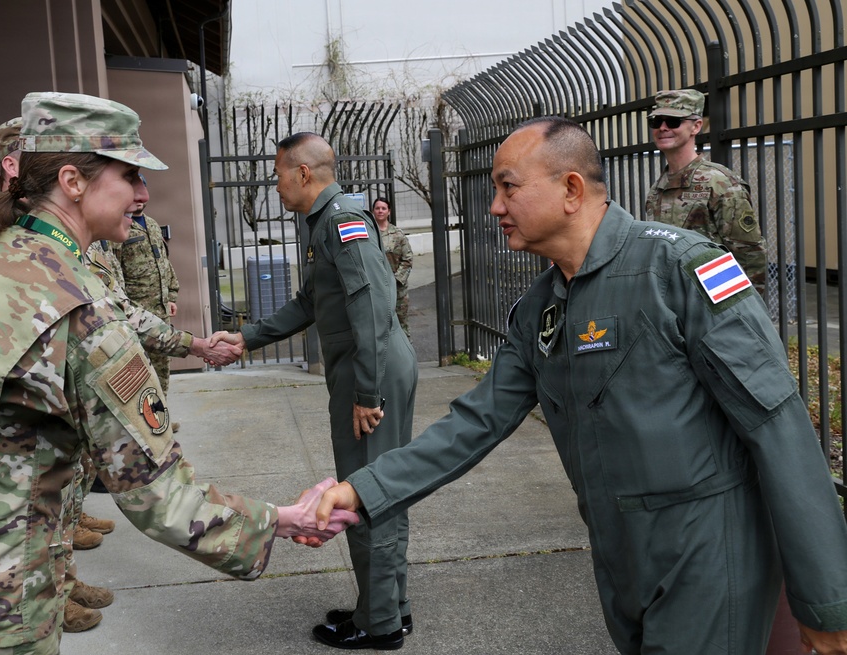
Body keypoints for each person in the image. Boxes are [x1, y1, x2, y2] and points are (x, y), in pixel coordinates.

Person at [0, 91, 358, 655]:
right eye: (130, 175)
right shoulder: (77, 309)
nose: (143, 193)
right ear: (72, 180)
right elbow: (159, 496)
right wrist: (280, 520)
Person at [315, 117, 847, 655]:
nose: (495, 207)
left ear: (571, 189)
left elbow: (778, 427)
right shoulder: (540, 309)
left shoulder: (682, 268)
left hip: (705, 551)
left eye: (508, 187)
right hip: (619, 556)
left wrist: (825, 600)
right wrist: (362, 489)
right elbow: (476, 421)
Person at [210, 133, 418, 650]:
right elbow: (310, 302)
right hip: (367, 366)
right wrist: (248, 338)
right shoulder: (324, 220)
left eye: (279, 173)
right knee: (379, 488)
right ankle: (388, 605)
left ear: (303, 173)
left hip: (371, 371)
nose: (274, 184)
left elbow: (372, 306)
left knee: (369, 492)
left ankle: (381, 623)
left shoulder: (342, 222)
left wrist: (367, 393)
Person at [0, 115, 116, 633]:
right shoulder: (12, 241)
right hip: (11, 461)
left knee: (59, 492)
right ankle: (51, 590)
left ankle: (61, 580)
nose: (138, 192)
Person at [645, 88, 767, 294]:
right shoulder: (658, 189)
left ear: (696, 127)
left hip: (711, 303)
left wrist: (739, 314)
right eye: (656, 122)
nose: (663, 128)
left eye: (673, 121)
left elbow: (749, 256)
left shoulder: (720, 183)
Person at [116, 192, 181, 406]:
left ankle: (160, 415)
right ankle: (147, 420)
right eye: (133, 195)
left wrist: (171, 296)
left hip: (160, 310)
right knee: (139, 370)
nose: (140, 199)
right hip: (137, 313)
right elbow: (116, 272)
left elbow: (164, 262)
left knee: (162, 368)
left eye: (143, 194)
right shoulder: (119, 227)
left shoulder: (152, 224)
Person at [371, 197, 413, 338]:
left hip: (397, 289)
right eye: (377, 208)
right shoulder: (369, 234)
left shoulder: (398, 234)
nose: (380, 211)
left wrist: (395, 281)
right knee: (379, 327)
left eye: (383, 208)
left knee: (402, 327)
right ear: (373, 211)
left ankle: (407, 358)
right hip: (376, 288)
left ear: (389, 212)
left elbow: (407, 259)